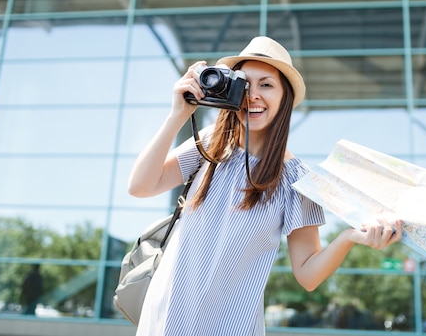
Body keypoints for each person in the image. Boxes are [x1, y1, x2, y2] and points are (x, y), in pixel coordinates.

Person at [128, 36, 402, 336]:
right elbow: (140, 186)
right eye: (245, 84)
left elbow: (308, 274)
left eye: (266, 85)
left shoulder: (296, 179)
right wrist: (177, 116)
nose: (253, 95)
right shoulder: (209, 145)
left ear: (285, 98)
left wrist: (349, 237)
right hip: (166, 318)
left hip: (230, 328)